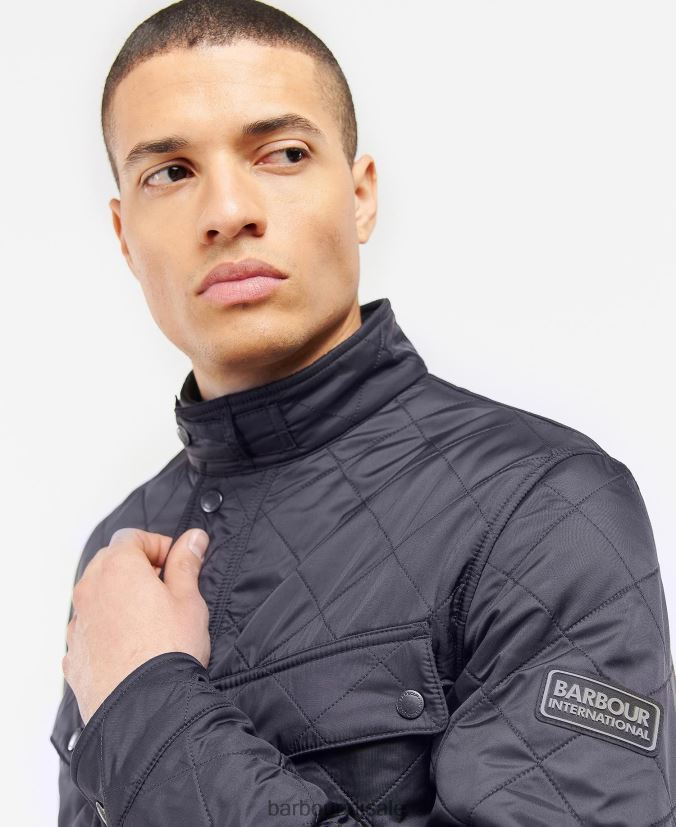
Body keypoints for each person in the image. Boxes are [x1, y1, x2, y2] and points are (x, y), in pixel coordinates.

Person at [50, 1, 675, 824]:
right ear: (125, 236)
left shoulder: (544, 506)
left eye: (282, 153)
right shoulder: (122, 556)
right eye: (169, 172)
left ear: (360, 196)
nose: (228, 210)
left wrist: (147, 704)